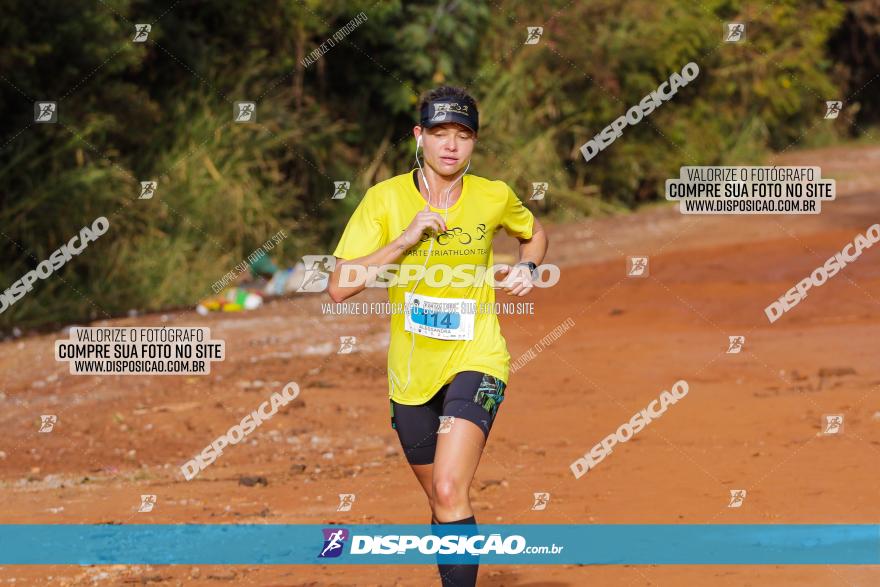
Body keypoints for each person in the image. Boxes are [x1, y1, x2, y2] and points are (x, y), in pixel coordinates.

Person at [327, 85, 548, 586]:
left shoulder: (493, 195)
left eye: (463, 135)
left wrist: (529, 266)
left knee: (449, 488)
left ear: (474, 142)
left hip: (478, 357)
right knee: (442, 500)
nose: (451, 145)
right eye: (440, 133)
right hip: (411, 375)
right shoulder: (383, 200)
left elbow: (533, 232)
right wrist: (403, 240)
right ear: (418, 136)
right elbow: (340, 286)